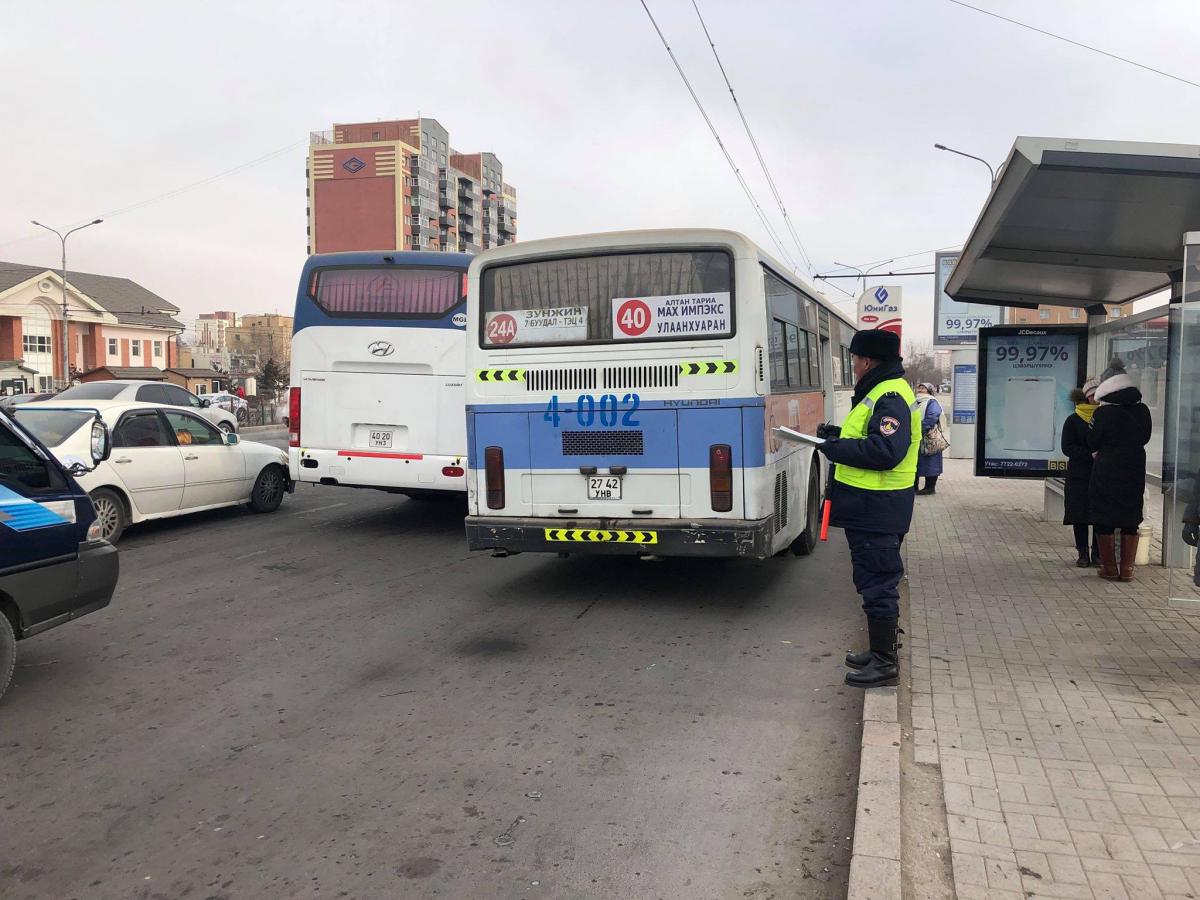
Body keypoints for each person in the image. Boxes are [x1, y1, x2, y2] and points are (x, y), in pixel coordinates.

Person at [815, 329, 920, 689]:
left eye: (856, 359)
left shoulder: (888, 395)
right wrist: (836, 435)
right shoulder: (882, 391)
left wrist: (835, 449)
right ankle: (880, 650)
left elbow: (884, 452)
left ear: (868, 360)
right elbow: (870, 437)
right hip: (874, 508)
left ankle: (885, 662)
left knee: (878, 584)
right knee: (873, 580)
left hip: (878, 508)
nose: (854, 366)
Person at [1088, 359, 1152, 581]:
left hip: (1108, 466)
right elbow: (1145, 437)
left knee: (1104, 515)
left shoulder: (1103, 414)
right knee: (1130, 516)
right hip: (1134, 465)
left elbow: (1092, 441)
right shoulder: (1142, 410)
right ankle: (1127, 570)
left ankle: (1109, 568)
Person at [1061, 378, 1101, 567]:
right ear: (1085, 397)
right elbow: (1067, 447)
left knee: (1100, 515)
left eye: (1099, 394)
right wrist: (1089, 454)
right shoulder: (1073, 420)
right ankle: (1083, 553)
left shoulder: (1104, 417)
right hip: (1079, 474)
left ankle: (1098, 554)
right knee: (1080, 515)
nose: (1096, 398)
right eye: (1093, 395)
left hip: (1101, 473)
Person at [914, 382, 944, 495]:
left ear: (929, 390)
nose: (920, 390)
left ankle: (930, 488)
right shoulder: (916, 401)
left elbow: (932, 416)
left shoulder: (931, 401)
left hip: (929, 437)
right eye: (919, 388)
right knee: (915, 462)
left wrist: (920, 427)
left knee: (931, 462)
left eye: (924, 388)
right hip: (917, 436)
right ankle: (913, 487)